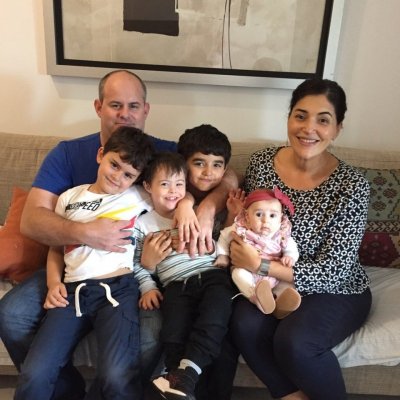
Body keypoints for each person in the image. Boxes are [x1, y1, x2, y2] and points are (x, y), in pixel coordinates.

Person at [0, 70, 237, 399]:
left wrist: (195, 206)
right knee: (11, 314)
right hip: (71, 265)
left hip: (127, 274)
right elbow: (31, 221)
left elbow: (224, 175)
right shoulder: (68, 154)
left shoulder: (157, 153)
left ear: (146, 110)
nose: (125, 113)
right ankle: (67, 390)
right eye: (115, 105)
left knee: (151, 335)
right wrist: (84, 233)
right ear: (98, 107)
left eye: (133, 105)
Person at [228, 78, 372, 400]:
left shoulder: (352, 187)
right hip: (270, 280)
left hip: (336, 288)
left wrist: (262, 265)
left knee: (295, 342)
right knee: (243, 323)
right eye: (300, 115)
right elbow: (243, 213)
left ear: (337, 129)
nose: (309, 128)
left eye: (323, 120)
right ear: (289, 118)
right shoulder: (262, 163)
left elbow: (333, 271)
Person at [15, 127, 155, 400]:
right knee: (35, 373)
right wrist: (54, 282)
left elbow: (176, 191)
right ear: (100, 154)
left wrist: (185, 205)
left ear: (138, 179)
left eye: (128, 174)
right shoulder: (69, 197)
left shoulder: (139, 195)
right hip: (72, 292)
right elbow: (57, 246)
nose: (117, 177)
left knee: (117, 376)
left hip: (118, 290)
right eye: (114, 164)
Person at [133, 152, 236, 400]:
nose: (173, 191)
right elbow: (137, 263)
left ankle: (184, 376)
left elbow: (225, 237)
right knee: (173, 332)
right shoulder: (142, 223)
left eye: (179, 184)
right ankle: (177, 383)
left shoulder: (199, 213)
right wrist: (148, 286)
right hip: (176, 285)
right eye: (164, 184)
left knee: (213, 321)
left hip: (212, 275)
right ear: (148, 186)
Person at [216, 187, 301, 318]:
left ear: (280, 219)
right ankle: (255, 297)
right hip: (249, 273)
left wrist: (290, 257)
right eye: (259, 214)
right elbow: (224, 236)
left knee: (288, 283)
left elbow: (291, 247)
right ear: (247, 216)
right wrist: (223, 255)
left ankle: (279, 306)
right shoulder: (241, 228)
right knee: (238, 274)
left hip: (273, 272)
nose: (265, 221)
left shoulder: (281, 233)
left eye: (272, 215)